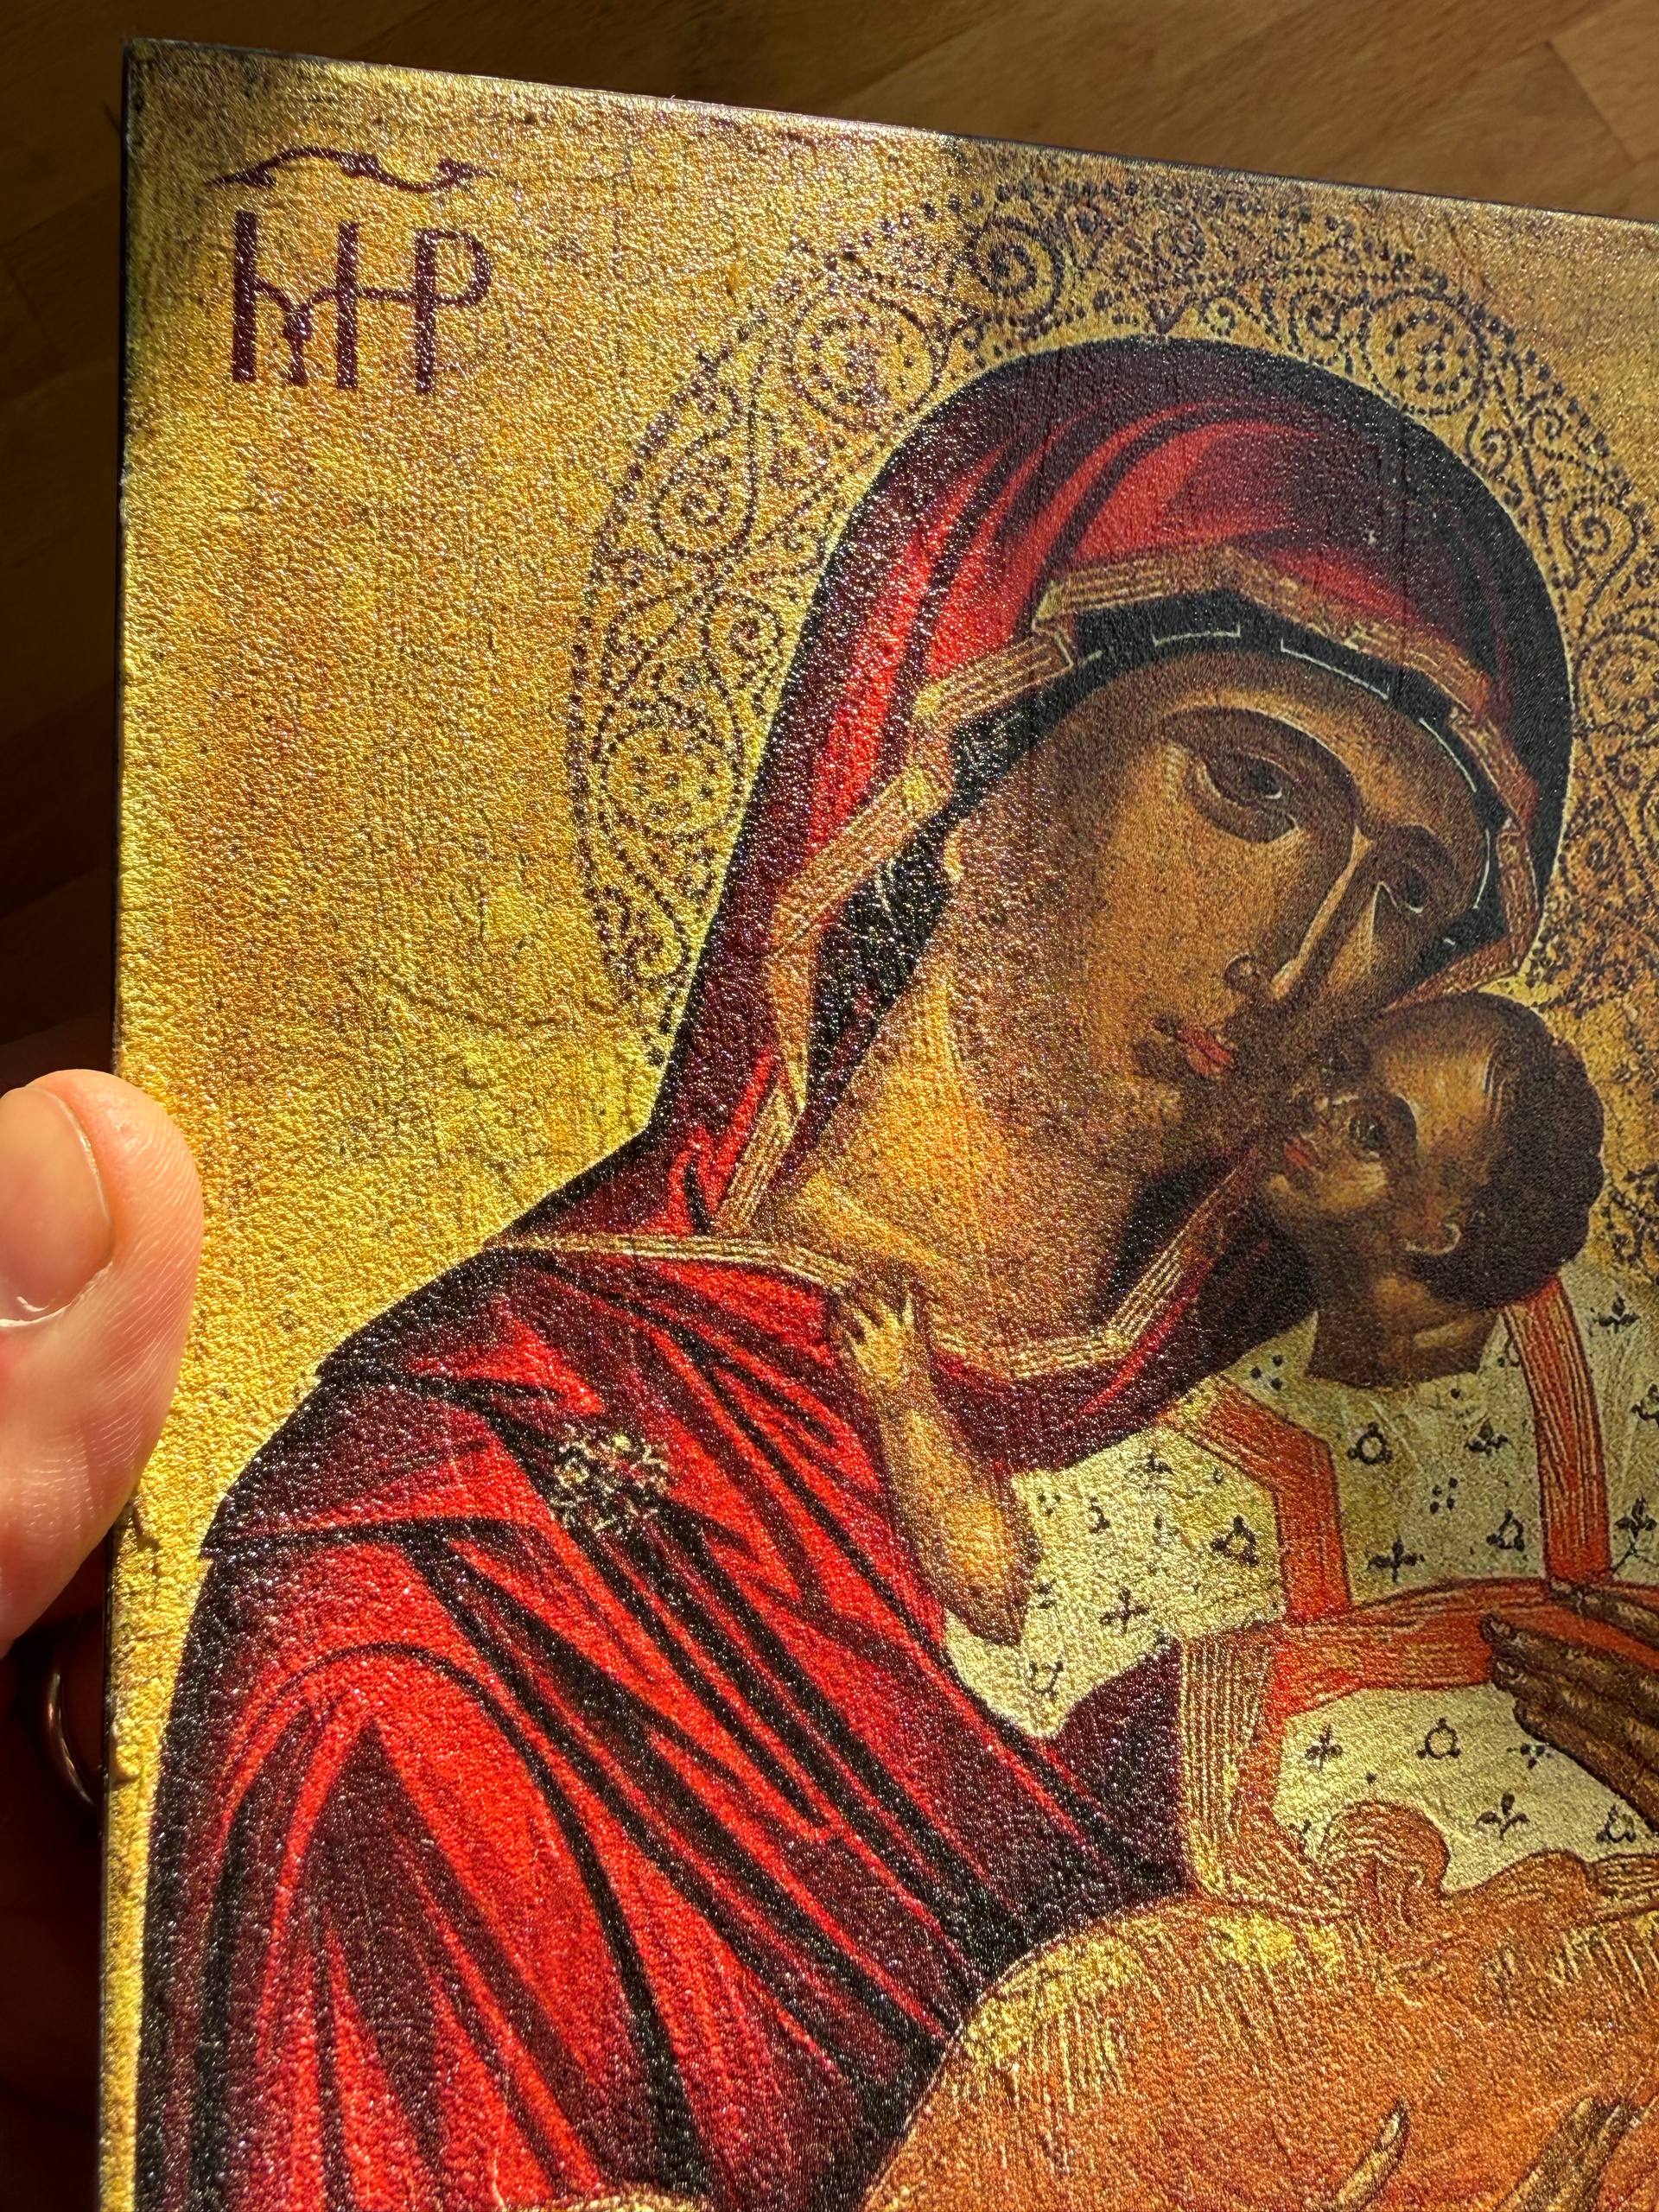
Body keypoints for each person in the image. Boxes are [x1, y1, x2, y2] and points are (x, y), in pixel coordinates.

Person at [0, 338, 1645, 2212]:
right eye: (1250, 787)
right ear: (965, 756)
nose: (1301, 955)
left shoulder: (1371, 1452)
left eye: (1406, 894)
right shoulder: (450, 1535)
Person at [861, 991, 1656, 1895]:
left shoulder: (1618, 1351)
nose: (1320, 1109)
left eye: (1375, 1133)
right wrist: (904, 1397)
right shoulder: (1252, 1442)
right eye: (1342, 1067)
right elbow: (1013, 1586)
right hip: (1359, 1935)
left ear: (1443, 1226)